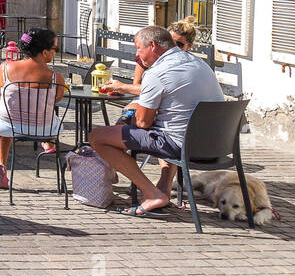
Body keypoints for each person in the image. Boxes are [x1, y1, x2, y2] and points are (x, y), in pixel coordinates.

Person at [87, 25, 225, 216]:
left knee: (98, 136)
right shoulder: (200, 64)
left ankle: (151, 193)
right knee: (164, 127)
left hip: (183, 146)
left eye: (138, 48)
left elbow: (143, 123)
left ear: (152, 45)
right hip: (217, 147)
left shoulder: (157, 72)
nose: (137, 54)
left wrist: (127, 118)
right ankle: (163, 188)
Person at [0, 28, 66, 189]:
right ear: (45, 52)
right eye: (55, 49)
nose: (55, 53)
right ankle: (49, 143)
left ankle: (1, 165)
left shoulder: (4, 68)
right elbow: (57, 99)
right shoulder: (56, 77)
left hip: (10, 126)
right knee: (48, 116)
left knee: (0, 121)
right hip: (44, 129)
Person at [124, 18, 199, 93]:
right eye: (171, 42)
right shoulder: (147, 57)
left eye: (179, 44)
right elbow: (136, 85)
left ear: (189, 46)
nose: (173, 46)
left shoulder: (193, 64)